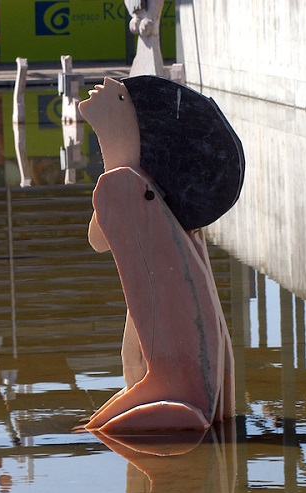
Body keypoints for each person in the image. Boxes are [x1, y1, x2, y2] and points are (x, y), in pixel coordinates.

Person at [75, 76, 244, 432]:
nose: (106, 83)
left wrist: (95, 429)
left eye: (122, 97)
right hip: (196, 389)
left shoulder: (127, 191)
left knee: (103, 430)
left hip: (178, 398)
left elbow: (99, 237)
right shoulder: (173, 220)